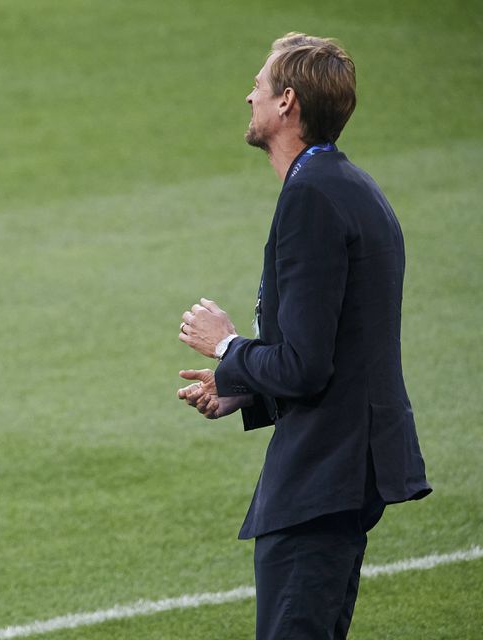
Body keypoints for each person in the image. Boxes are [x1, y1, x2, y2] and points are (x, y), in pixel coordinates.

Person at [174, 34, 431, 639]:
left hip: (325, 472)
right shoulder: (350, 186)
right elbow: (334, 346)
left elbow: (307, 365)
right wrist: (242, 387)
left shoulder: (311, 198)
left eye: (258, 85)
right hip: (346, 465)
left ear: (287, 102)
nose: (248, 94)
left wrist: (226, 347)